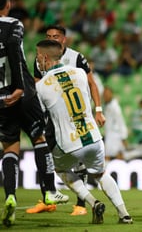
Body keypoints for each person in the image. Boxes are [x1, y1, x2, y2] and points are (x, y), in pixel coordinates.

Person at [35, 39, 132, 224]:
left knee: (61, 169)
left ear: (45, 57)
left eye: (38, 56)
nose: (37, 60)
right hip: (93, 138)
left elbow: (41, 118)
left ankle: (92, 202)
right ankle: (124, 214)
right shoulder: (79, 73)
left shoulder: (41, 86)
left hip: (69, 143)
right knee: (101, 174)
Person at [0, 0, 68, 228]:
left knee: (10, 147)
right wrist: (19, 86)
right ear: (7, 4)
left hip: (1, 98)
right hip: (23, 92)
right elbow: (15, 55)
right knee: (39, 138)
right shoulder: (12, 24)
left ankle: (9, 196)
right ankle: (49, 191)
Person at [27, 24, 105, 215]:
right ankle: (48, 197)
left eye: (56, 36)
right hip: (53, 114)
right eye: (48, 35)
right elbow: (37, 87)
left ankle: (81, 204)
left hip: (73, 113)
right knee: (44, 152)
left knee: (78, 158)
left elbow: (91, 83)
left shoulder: (76, 57)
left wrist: (98, 110)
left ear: (64, 39)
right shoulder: (40, 59)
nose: (52, 38)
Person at [102, 86, 128, 161]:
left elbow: (120, 122)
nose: (105, 96)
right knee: (107, 157)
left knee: (118, 156)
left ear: (111, 94)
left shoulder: (115, 107)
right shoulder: (105, 106)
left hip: (115, 135)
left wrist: (123, 137)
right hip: (109, 134)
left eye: (107, 94)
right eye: (104, 94)